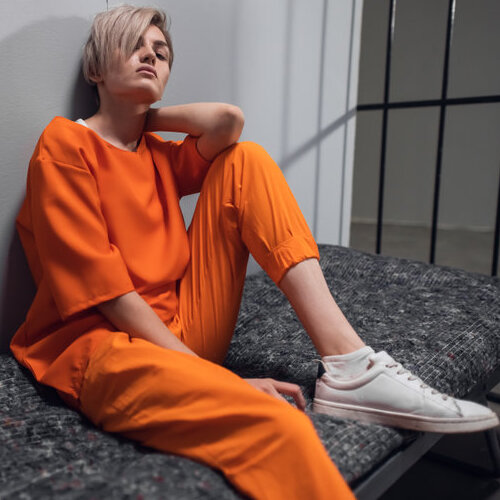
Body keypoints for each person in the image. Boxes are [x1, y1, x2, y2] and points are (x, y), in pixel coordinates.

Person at [10, 5, 497, 499]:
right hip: (106, 347)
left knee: (247, 159)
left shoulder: (154, 150)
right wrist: (218, 379)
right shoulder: (64, 145)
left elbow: (228, 122)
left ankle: (350, 364)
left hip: (185, 326)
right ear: (94, 69)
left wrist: (142, 111)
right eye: (135, 46)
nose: (151, 57)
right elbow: (110, 297)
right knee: (276, 425)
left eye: (161, 52)